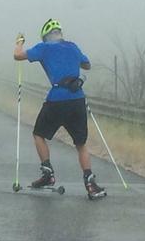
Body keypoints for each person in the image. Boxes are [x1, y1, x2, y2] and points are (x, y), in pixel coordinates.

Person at [13, 19, 106, 199]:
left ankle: (48, 173)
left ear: (46, 36)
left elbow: (18, 56)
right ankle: (91, 183)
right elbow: (87, 65)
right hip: (77, 99)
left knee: (39, 134)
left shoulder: (44, 48)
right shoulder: (72, 47)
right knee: (80, 144)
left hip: (57, 99)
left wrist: (20, 41)